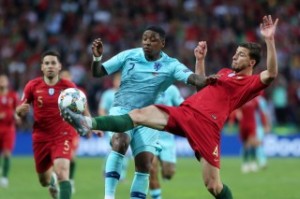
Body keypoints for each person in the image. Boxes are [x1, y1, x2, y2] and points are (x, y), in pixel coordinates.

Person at [61, 15, 278, 199]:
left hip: (207, 127)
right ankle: (87, 122)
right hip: (186, 112)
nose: (234, 56)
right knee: (137, 114)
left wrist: (269, 41)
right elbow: (201, 91)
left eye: (240, 54)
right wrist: (200, 61)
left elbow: (271, 74)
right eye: (236, 52)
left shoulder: (250, 83)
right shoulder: (223, 72)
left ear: (251, 62)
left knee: (213, 185)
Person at [78, 25, 215, 199]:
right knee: (120, 141)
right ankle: (109, 196)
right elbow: (98, 72)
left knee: (144, 164)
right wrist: (97, 57)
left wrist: (207, 79)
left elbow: (193, 79)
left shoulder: (171, 65)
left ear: (163, 43)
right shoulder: (129, 56)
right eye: (145, 39)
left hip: (149, 117)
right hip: (123, 109)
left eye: (152, 39)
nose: (147, 43)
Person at [16, 50, 90, 199]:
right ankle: (51, 181)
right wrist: (20, 111)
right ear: (42, 67)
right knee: (43, 180)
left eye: (53, 63)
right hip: (40, 136)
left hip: (62, 134)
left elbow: (82, 105)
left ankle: (59, 181)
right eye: (47, 63)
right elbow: (19, 109)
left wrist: (90, 124)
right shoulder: (32, 86)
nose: (50, 66)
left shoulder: (68, 86)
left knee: (63, 172)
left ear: (59, 67)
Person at [149, 84, 184, 199]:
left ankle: (163, 166)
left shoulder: (172, 89)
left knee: (169, 174)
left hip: (167, 138)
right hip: (149, 136)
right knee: (151, 169)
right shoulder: (145, 86)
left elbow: (183, 108)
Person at [98, 72, 130, 182]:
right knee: (115, 149)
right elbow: (102, 109)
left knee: (125, 152)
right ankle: (107, 171)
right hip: (112, 126)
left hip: (126, 126)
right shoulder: (108, 94)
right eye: (118, 80)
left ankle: (121, 175)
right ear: (114, 81)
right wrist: (105, 122)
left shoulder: (129, 95)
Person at [228, 94, 269, 173]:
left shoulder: (255, 100)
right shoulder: (242, 99)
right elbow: (235, 110)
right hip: (243, 125)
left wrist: (265, 124)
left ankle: (252, 162)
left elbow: (261, 113)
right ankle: (245, 163)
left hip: (252, 125)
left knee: (252, 143)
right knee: (245, 145)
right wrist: (231, 122)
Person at [0, 74, 21, 188]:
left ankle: (4, 177)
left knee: (7, 153)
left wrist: (17, 117)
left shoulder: (13, 95)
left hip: (9, 129)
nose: (2, 82)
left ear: (7, 82)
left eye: (4, 80)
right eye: (0, 80)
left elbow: (17, 111)